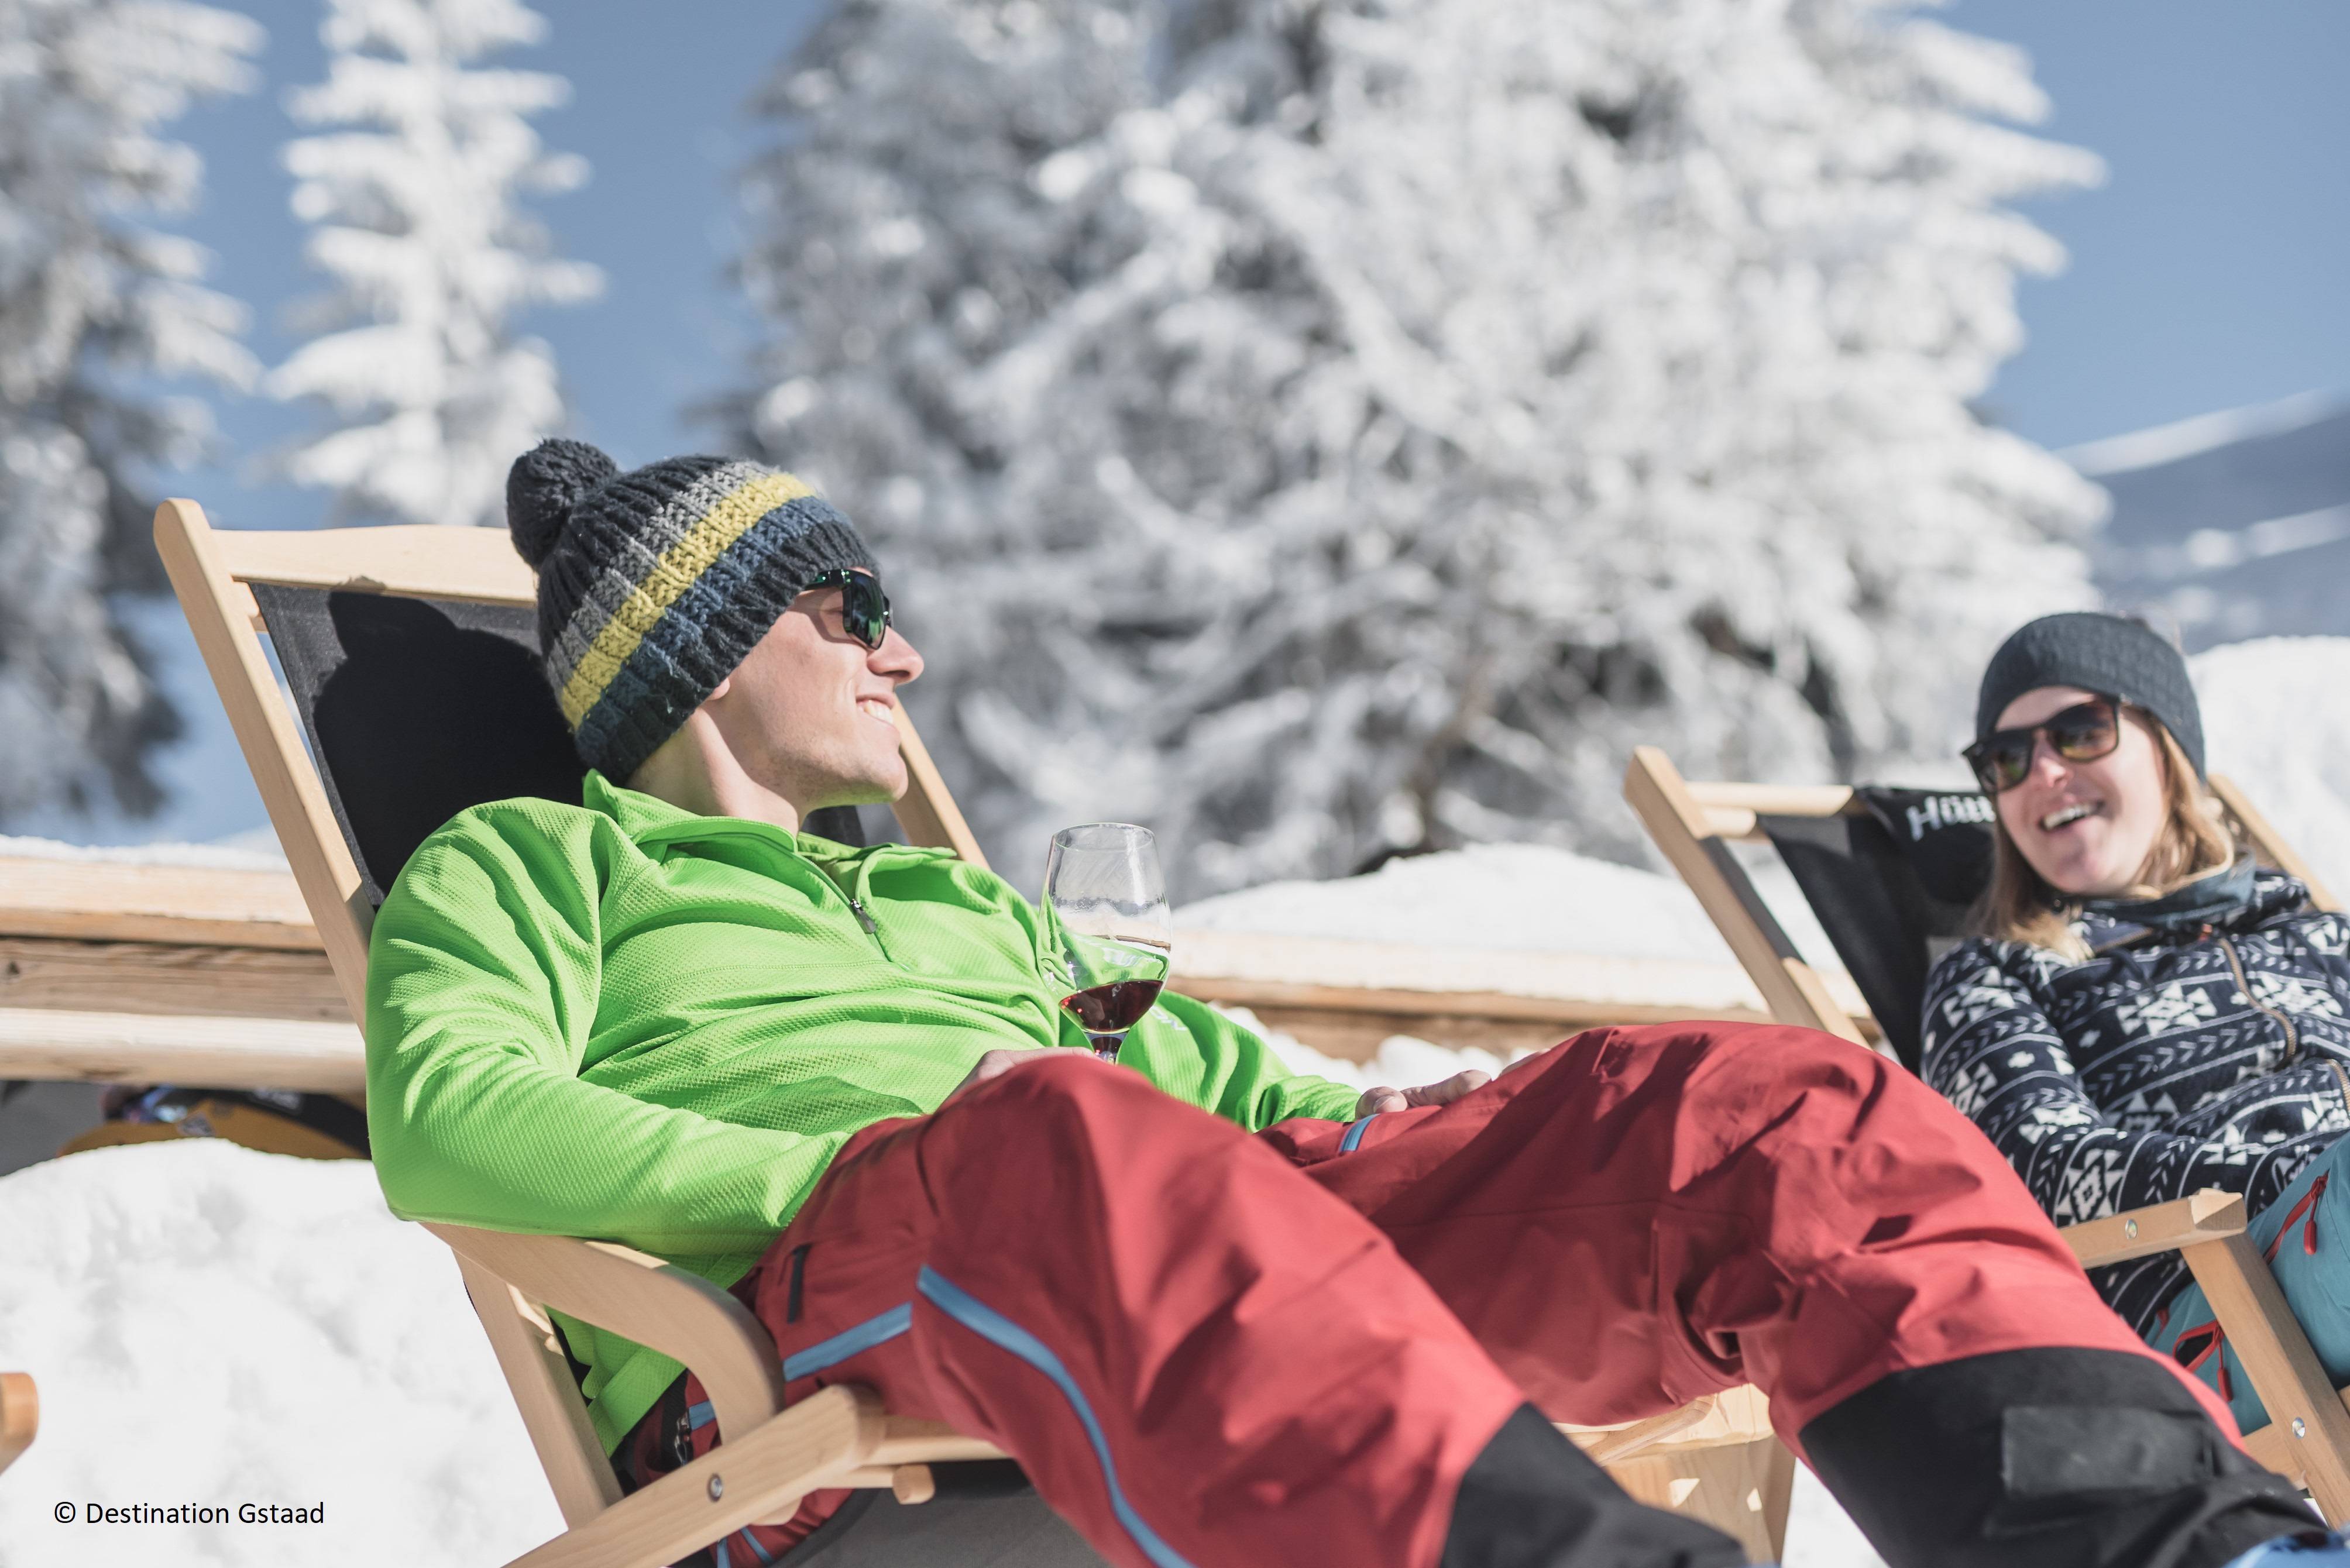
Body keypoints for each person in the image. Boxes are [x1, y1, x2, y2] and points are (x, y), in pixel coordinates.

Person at [368, 446, 2327, 1568]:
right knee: (1049, 1129)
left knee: (1762, 1110)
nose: (904, 649)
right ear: (703, 656)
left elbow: (1223, 1084)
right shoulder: (536, 870)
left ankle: (2177, 1549)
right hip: (818, 1327)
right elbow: (453, 1116)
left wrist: (1508, 1132)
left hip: (1141, 1232)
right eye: (842, 614)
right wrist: (863, 1160)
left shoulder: (947, 895)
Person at [1923, 612, 2350, 1454]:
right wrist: (2288, 1178)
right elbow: (2047, 1170)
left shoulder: (2314, 931)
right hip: (2215, 1305)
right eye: (2006, 760)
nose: (2042, 771)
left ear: (2167, 747)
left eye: (2080, 732)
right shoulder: (1997, 976)